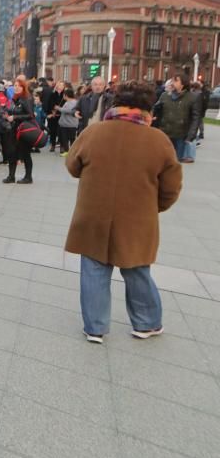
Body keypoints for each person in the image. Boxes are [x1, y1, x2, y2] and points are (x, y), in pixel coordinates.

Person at [64, 81, 183, 343]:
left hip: (93, 213)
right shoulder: (159, 141)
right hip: (138, 218)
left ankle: (95, 327)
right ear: (147, 109)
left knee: (94, 267)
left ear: (115, 104)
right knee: (137, 268)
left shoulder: (94, 132)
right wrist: (154, 207)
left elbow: (72, 166)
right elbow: (171, 188)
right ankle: (146, 323)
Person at [154, 72, 201, 164]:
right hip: (164, 133)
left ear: (183, 84)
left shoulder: (192, 97)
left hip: (181, 135)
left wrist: (191, 135)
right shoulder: (164, 96)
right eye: (172, 80)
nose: (172, 83)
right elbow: (155, 109)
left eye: (175, 81)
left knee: (176, 163)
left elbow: (196, 118)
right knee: (162, 162)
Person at [2, 76, 36, 185]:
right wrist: (7, 113)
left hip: (24, 130)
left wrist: (15, 117)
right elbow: (14, 111)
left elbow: (30, 115)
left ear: (23, 87)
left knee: (25, 154)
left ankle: (28, 177)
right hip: (14, 129)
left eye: (19, 86)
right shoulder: (15, 98)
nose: (16, 88)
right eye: (15, 85)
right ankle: (11, 176)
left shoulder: (26, 98)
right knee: (12, 153)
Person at [43, 81, 66, 153]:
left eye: (62, 86)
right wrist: (51, 110)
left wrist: (59, 109)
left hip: (61, 116)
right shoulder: (52, 94)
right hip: (53, 116)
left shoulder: (65, 95)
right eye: (59, 85)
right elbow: (48, 103)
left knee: (61, 132)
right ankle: (53, 145)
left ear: (64, 87)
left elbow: (66, 105)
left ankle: (62, 146)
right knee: (52, 131)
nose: (60, 87)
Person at [57, 88, 80, 155]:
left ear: (66, 95)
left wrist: (59, 108)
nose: (63, 96)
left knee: (71, 139)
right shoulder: (68, 102)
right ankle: (67, 151)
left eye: (64, 95)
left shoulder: (74, 102)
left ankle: (72, 152)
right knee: (65, 139)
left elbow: (69, 110)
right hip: (65, 124)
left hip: (70, 124)